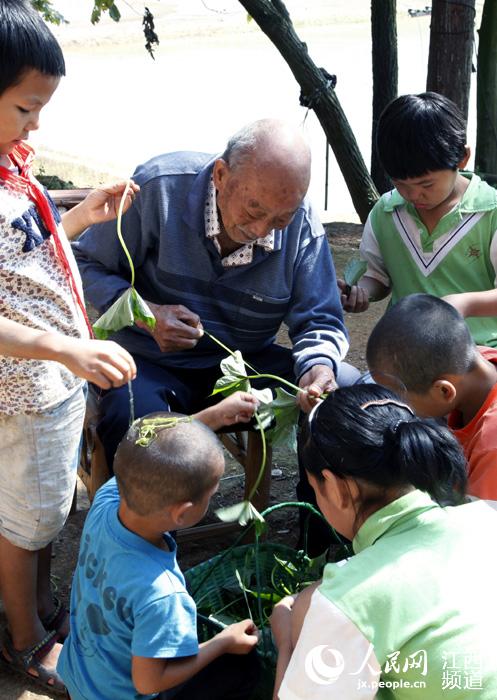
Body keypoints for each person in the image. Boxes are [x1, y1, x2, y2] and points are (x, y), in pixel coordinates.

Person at [73, 118, 351, 469]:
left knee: (344, 397)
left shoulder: (302, 224)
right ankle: (135, 524)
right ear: (221, 175)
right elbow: (82, 263)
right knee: (133, 421)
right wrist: (146, 314)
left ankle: (322, 521)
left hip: (242, 365)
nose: (261, 230)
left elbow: (320, 318)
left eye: (280, 220)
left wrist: (318, 365)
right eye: (254, 210)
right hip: (150, 362)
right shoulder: (158, 189)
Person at [0, 1, 138, 693]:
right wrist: (65, 351)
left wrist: (83, 214)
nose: (37, 125)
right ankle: (25, 641)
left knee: (42, 506)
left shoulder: (9, 164)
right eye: (27, 108)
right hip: (25, 388)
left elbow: (24, 247)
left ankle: (37, 606)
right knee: (28, 514)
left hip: (48, 385)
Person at [270, 384, 497, 699]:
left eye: (314, 487)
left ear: (335, 488)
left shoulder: (350, 601)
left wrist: (287, 641)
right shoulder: (485, 515)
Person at [58, 408, 260, 700]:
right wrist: (223, 642)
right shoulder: (163, 595)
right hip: (123, 694)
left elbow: (148, 460)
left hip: (81, 681)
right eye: (211, 494)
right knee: (242, 667)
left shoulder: (105, 501)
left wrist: (213, 418)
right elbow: (149, 683)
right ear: (184, 513)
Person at [340, 92, 497, 349]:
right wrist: (361, 292)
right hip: (406, 352)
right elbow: (376, 276)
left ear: (462, 158)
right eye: (399, 183)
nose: (413, 195)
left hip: (480, 352)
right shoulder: (386, 212)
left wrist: (464, 304)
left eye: (426, 184)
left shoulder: (491, 211)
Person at [366, 293, 497, 500]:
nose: (396, 406)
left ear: (444, 391)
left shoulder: (492, 447)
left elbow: (479, 526)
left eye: (400, 399)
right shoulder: (470, 366)